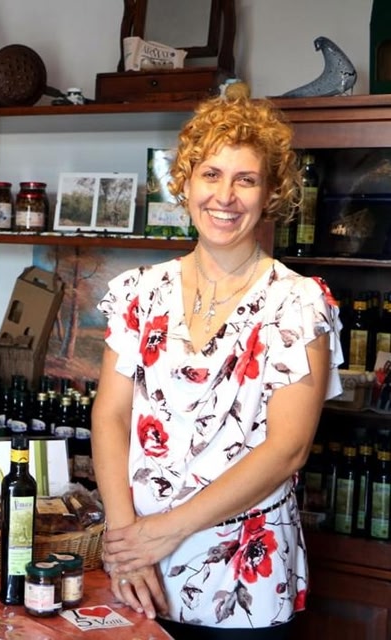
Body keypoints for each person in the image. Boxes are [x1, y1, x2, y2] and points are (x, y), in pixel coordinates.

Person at [92, 82, 343, 640]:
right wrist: (126, 540)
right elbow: (110, 415)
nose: (225, 196)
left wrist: (164, 531)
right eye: (211, 174)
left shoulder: (298, 303)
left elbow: (287, 449)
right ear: (185, 182)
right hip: (138, 575)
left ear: (270, 193)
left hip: (244, 587)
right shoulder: (137, 292)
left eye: (246, 179)